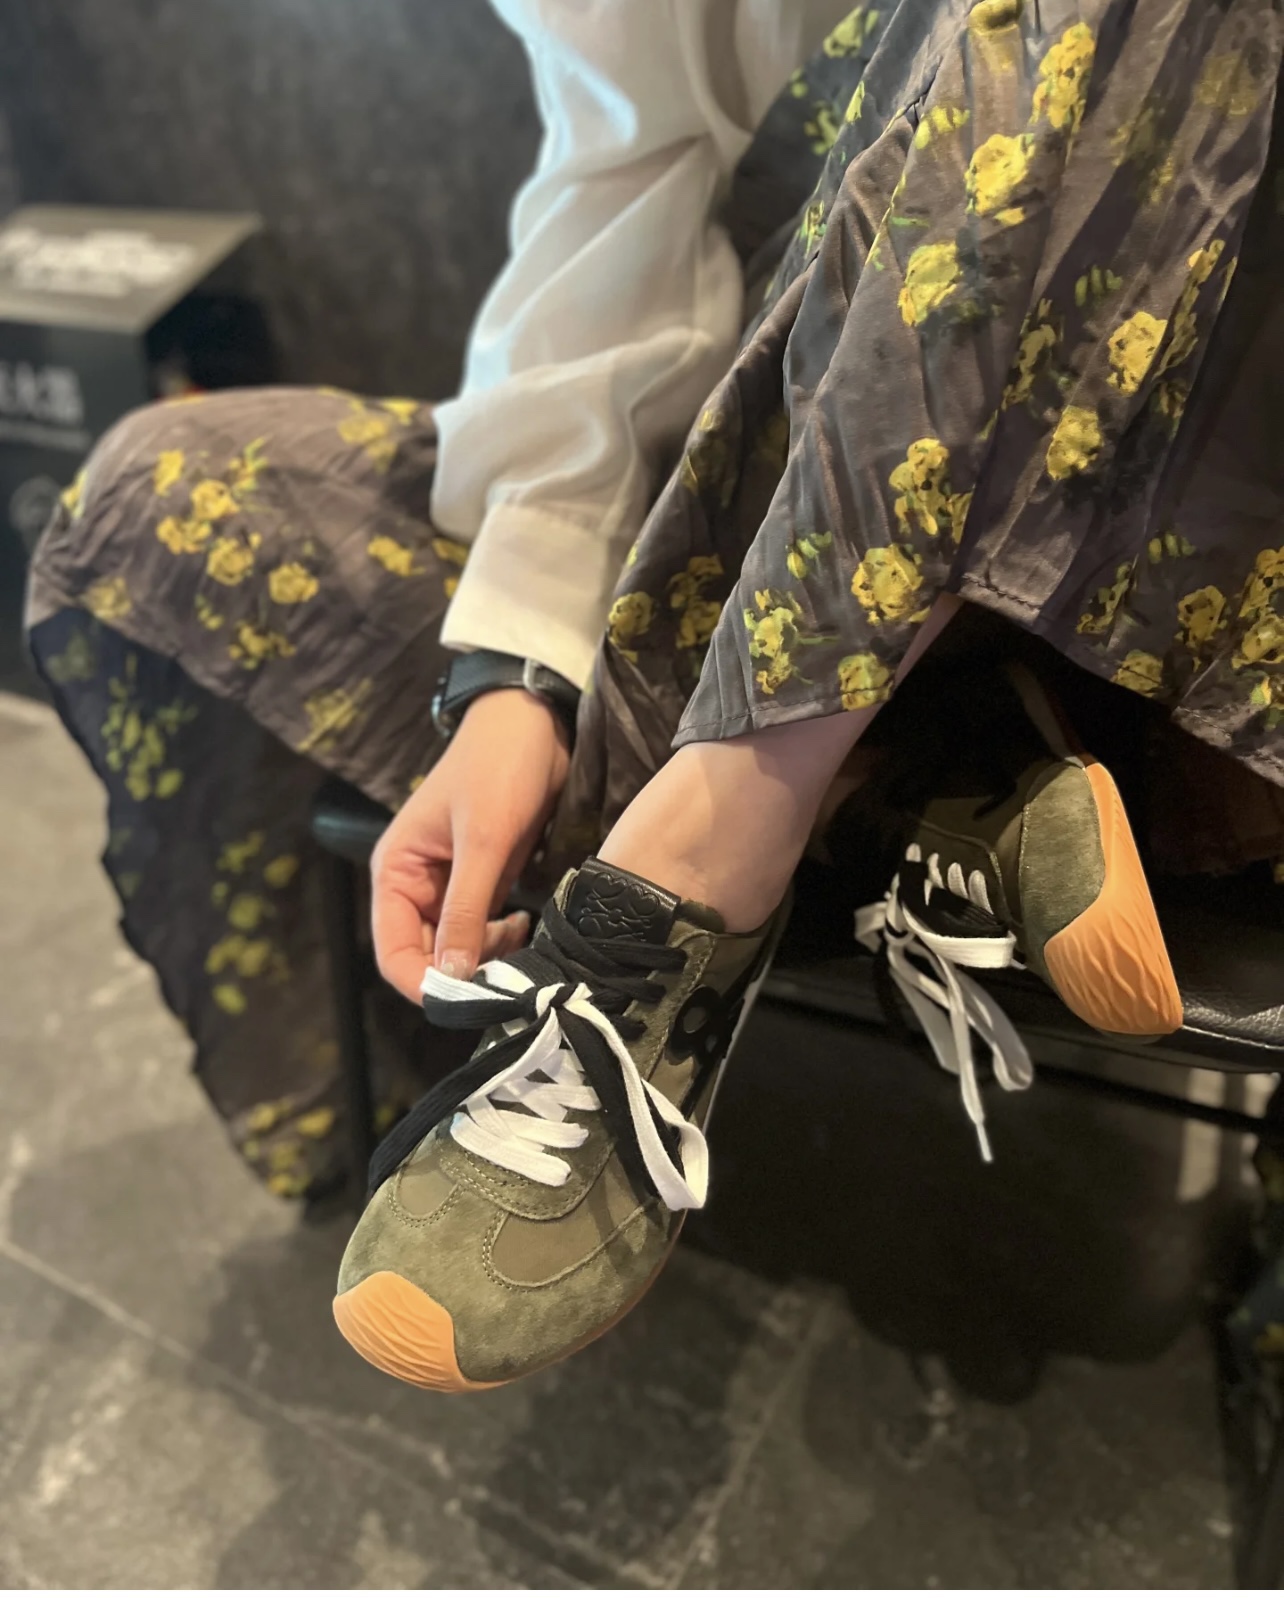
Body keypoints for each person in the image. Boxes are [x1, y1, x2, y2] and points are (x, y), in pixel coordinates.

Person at [28, 0, 1284, 1389]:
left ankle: (712, 858)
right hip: (764, 488)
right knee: (160, 494)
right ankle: (927, 782)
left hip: (1152, 568)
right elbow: (626, 165)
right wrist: (515, 666)